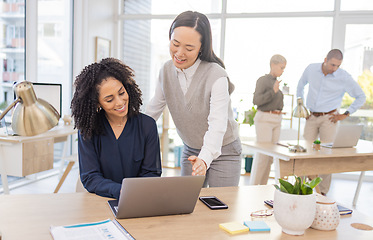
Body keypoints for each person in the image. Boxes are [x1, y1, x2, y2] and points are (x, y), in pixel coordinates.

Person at [146, 11, 241, 187]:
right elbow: (152, 112)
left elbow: (217, 125)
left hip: (224, 150)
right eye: (175, 44)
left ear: (201, 48)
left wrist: (204, 160)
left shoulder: (216, 75)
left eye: (189, 48)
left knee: (221, 208)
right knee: (187, 206)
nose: (179, 53)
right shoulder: (165, 71)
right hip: (190, 148)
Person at [71, 58, 162, 199]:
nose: (120, 102)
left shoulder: (147, 126)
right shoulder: (88, 130)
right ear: (97, 103)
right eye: (109, 99)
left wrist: (132, 194)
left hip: (138, 200)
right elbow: (90, 177)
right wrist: (121, 191)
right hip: (100, 201)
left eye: (121, 93)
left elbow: (152, 173)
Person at [297, 49, 366, 195]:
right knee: (304, 153)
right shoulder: (311, 69)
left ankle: (322, 192)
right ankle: (300, 188)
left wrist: (345, 114)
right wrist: (300, 104)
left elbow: (361, 96)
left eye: (337, 66)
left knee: (327, 155)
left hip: (330, 118)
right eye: (332, 64)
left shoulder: (344, 77)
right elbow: (301, 84)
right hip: (311, 116)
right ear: (325, 59)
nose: (334, 68)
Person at [250, 54, 287, 185]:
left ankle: (262, 187)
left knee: (271, 157)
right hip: (265, 119)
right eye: (281, 67)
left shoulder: (276, 82)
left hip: (277, 119)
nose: (283, 71)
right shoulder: (263, 80)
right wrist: (273, 91)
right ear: (273, 65)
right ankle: (254, 187)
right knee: (263, 156)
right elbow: (256, 101)